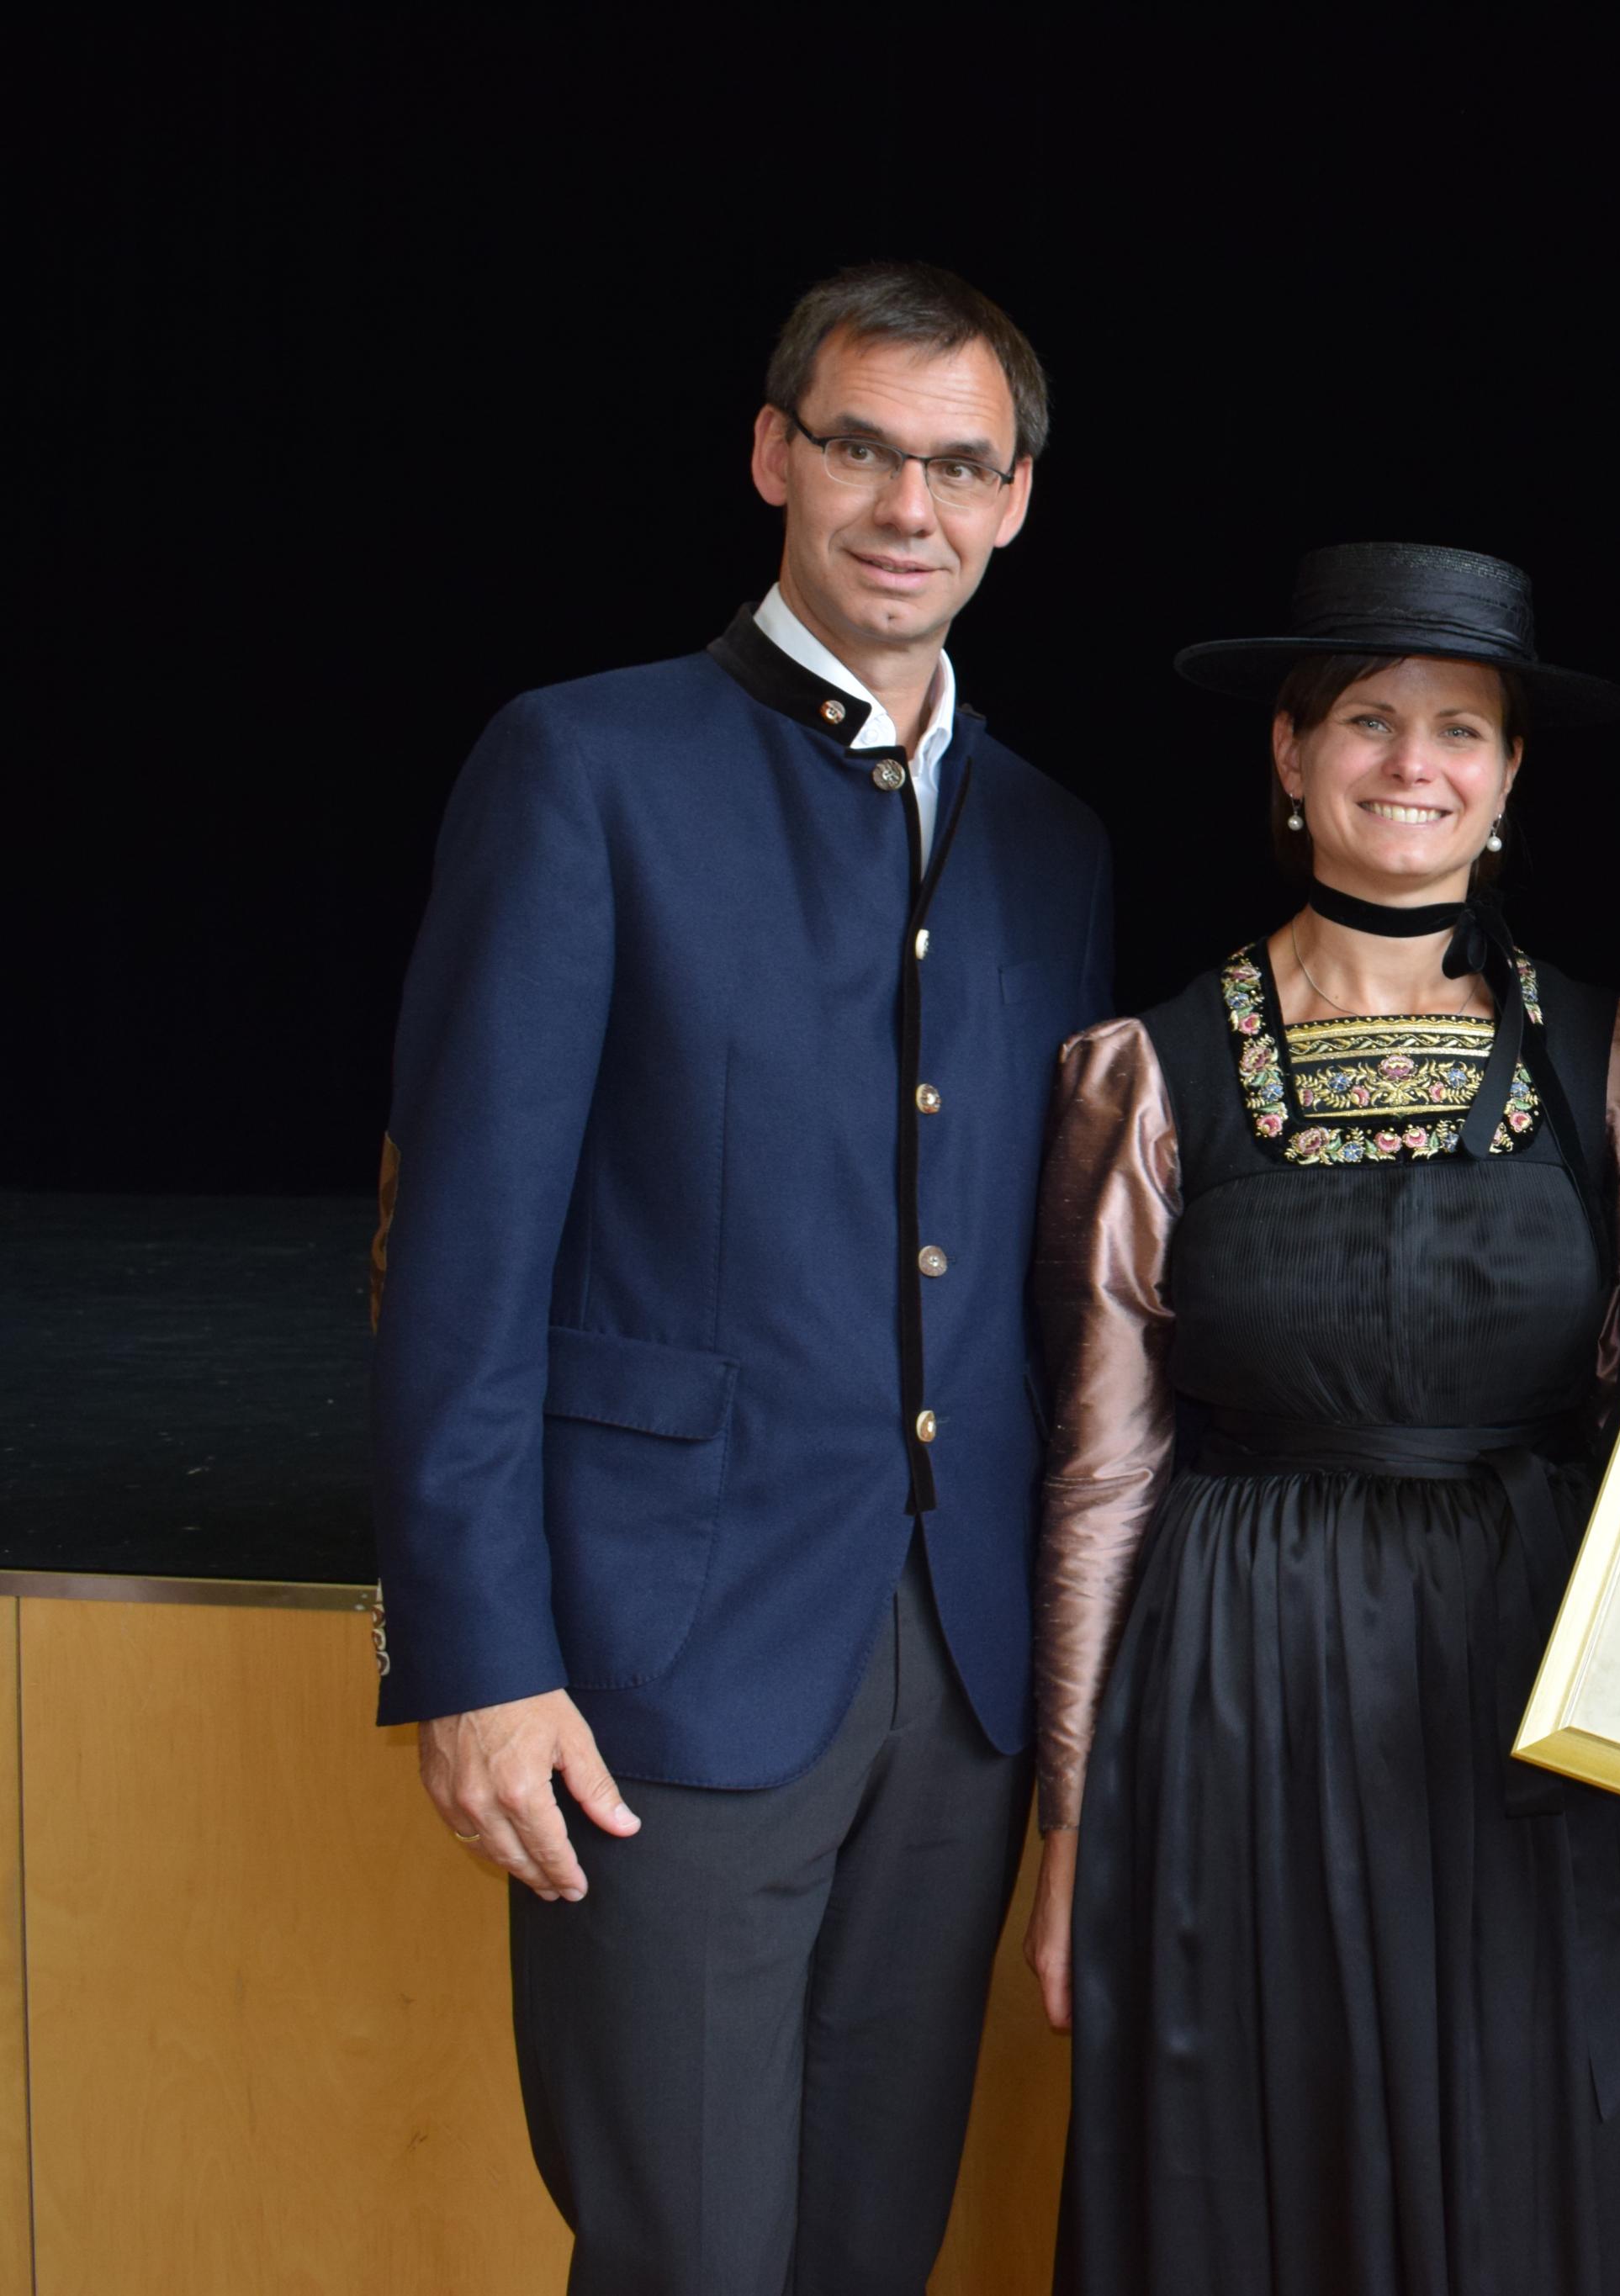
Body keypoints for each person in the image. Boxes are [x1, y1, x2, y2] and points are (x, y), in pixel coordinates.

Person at [368, 262, 1113, 2293]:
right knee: (688, 2255)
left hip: (959, 1679)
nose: (906, 505)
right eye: (862, 447)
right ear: (775, 454)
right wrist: (475, 1657)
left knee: (870, 2250)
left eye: (957, 464)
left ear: (1014, 500)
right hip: (659, 1655)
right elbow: (458, 1258)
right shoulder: (583, 764)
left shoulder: (1053, 839)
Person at [1025, 542, 1620, 2294]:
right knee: (1251, 2175)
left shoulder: (1616, 1058)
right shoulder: (1145, 1072)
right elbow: (1100, 1472)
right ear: (1289, 753)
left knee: (1525, 2185)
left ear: (1510, 774)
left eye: (1460, 728)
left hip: (1524, 1703)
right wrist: (1072, 1828)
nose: (1415, 764)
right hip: (1233, 1698)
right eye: (1368, 722)